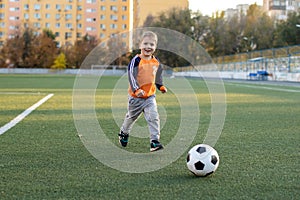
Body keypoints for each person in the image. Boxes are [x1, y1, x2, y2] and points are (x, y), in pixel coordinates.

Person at [118, 31, 167, 152]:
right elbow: (131, 76)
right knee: (131, 117)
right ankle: (124, 132)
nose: (148, 47)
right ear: (140, 45)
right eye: (145, 43)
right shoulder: (136, 61)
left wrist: (160, 86)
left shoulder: (156, 62)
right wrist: (137, 89)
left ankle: (154, 142)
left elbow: (158, 74)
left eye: (151, 44)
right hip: (136, 98)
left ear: (155, 47)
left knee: (154, 117)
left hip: (150, 97)